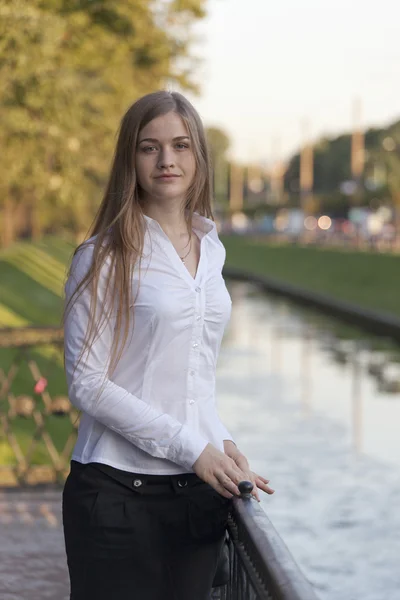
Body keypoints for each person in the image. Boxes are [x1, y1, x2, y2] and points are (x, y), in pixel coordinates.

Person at [62, 90, 275, 600]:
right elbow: (87, 383)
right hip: (115, 497)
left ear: (199, 156)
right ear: (129, 159)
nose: (167, 160)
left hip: (196, 499)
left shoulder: (212, 250)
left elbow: (192, 377)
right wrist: (193, 447)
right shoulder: (102, 256)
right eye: (149, 147)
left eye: (181, 145)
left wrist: (219, 438)